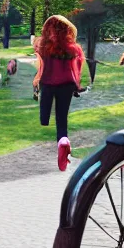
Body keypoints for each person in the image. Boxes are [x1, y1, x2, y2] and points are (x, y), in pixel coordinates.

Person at [33, 15, 85, 172]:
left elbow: (39, 65)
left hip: (47, 85)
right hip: (66, 86)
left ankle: (44, 119)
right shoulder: (74, 48)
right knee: (62, 120)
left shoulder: (42, 45)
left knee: (44, 116)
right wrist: (77, 84)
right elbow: (78, 68)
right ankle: (63, 142)